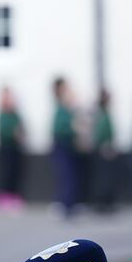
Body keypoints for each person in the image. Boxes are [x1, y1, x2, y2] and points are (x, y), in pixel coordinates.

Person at [50, 76, 80, 217]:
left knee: (70, 176)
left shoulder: (67, 110)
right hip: (62, 146)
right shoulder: (62, 110)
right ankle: (65, 205)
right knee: (66, 176)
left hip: (68, 147)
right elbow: (60, 129)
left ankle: (69, 205)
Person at [0, 85, 25, 210]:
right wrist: (13, 133)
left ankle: (13, 197)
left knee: (14, 172)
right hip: (5, 147)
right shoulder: (1, 114)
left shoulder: (15, 114)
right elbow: (3, 130)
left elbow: (21, 128)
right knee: (5, 172)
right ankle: (3, 198)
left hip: (15, 148)